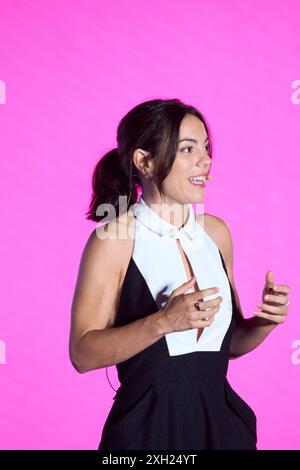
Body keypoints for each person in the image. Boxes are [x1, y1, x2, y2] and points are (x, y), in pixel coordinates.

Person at [69, 98, 290, 450]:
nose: (205, 160)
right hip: (148, 433)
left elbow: (226, 345)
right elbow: (82, 354)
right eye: (188, 149)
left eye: (205, 148)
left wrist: (265, 321)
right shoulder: (114, 239)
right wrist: (163, 322)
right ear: (145, 161)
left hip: (221, 428)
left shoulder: (216, 234)